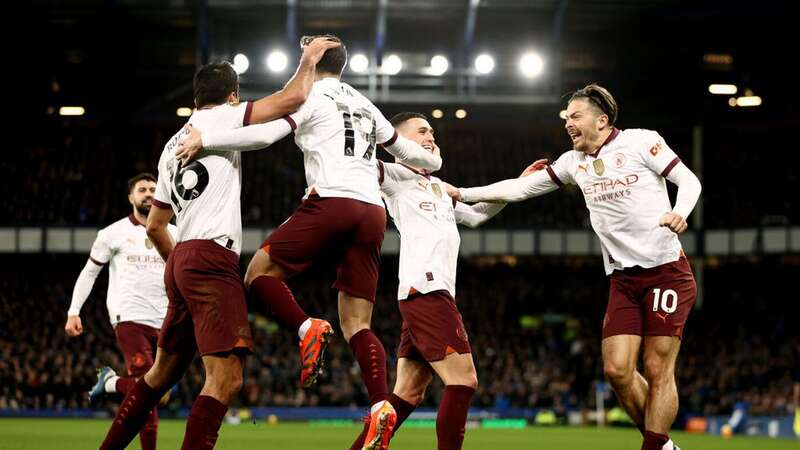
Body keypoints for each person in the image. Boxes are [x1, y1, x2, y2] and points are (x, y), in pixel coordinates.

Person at [174, 35, 442, 450]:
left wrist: (206, 141)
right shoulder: (367, 104)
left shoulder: (313, 96)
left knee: (258, 273)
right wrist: (434, 161)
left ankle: (307, 327)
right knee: (358, 323)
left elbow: (264, 137)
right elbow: (418, 156)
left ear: (315, 64)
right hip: (373, 213)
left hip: (331, 200)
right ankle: (379, 406)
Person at [97, 37, 339, 450]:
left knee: (158, 377)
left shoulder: (172, 145)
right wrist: (309, 58)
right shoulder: (226, 118)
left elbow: (156, 225)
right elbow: (295, 95)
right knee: (225, 378)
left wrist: (185, 266)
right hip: (211, 257)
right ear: (232, 96)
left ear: (195, 97)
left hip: (182, 260)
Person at [448, 84, 702, 450]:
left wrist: (679, 213)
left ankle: (654, 445)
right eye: (566, 117)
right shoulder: (572, 162)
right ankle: (664, 445)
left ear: (601, 120)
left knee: (658, 368)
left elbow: (689, 181)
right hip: (623, 279)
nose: (568, 122)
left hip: (665, 270)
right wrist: (464, 193)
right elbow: (520, 190)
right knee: (616, 370)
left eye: (575, 115)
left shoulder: (640, 142)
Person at [348, 112, 546, 450]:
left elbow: (476, 215)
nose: (431, 137)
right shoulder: (393, 175)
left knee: (408, 392)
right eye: (422, 131)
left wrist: (517, 184)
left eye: (432, 132)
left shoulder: (439, 187)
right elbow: (355, 165)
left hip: (429, 293)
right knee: (464, 381)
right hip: (426, 291)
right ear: (399, 143)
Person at [65, 172, 176, 450]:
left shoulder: (175, 232)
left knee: (159, 395)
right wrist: (73, 311)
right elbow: (90, 272)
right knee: (148, 390)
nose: (149, 193)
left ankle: (112, 383)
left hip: (166, 320)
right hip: (130, 317)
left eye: (153, 188)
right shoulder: (112, 233)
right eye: (142, 190)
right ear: (131, 197)